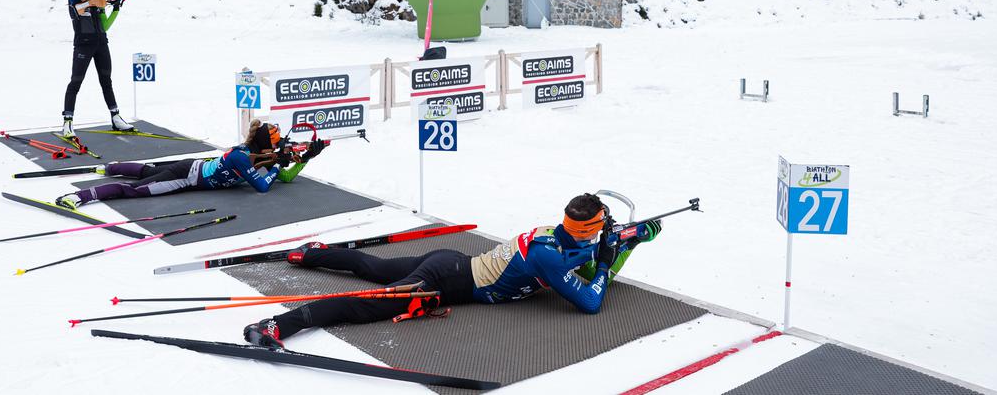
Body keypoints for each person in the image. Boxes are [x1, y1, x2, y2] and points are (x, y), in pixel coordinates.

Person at [242, 193, 662, 347]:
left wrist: (628, 241)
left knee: (376, 267)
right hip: (445, 281)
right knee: (368, 304)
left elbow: (588, 259)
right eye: (603, 227)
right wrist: (610, 257)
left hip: (453, 263)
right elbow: (591, 296)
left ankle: (312, 253)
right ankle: (278, 324)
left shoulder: (558, 236)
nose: (606, 232)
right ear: (587, 228)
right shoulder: (552, 256)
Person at [55, 120, 324, 210]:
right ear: (266, 144)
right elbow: (263, 186)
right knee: (135, 190)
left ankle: (111, 167)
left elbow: (285, 178)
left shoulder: (259, 156)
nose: (277, 150)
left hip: (192, 166)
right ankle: (79, 196)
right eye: (275, 146)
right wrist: (278, 165)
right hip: (185, 177)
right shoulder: (243, 157)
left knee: (149, 171)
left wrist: (306, 157)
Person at [61, 0, 134, 139]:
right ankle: (67, 122)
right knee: (76, 82)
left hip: (101, 43)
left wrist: (115, 6)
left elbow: (105, 25)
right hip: (83, 45)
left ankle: (115, 117)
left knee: (106, 81)